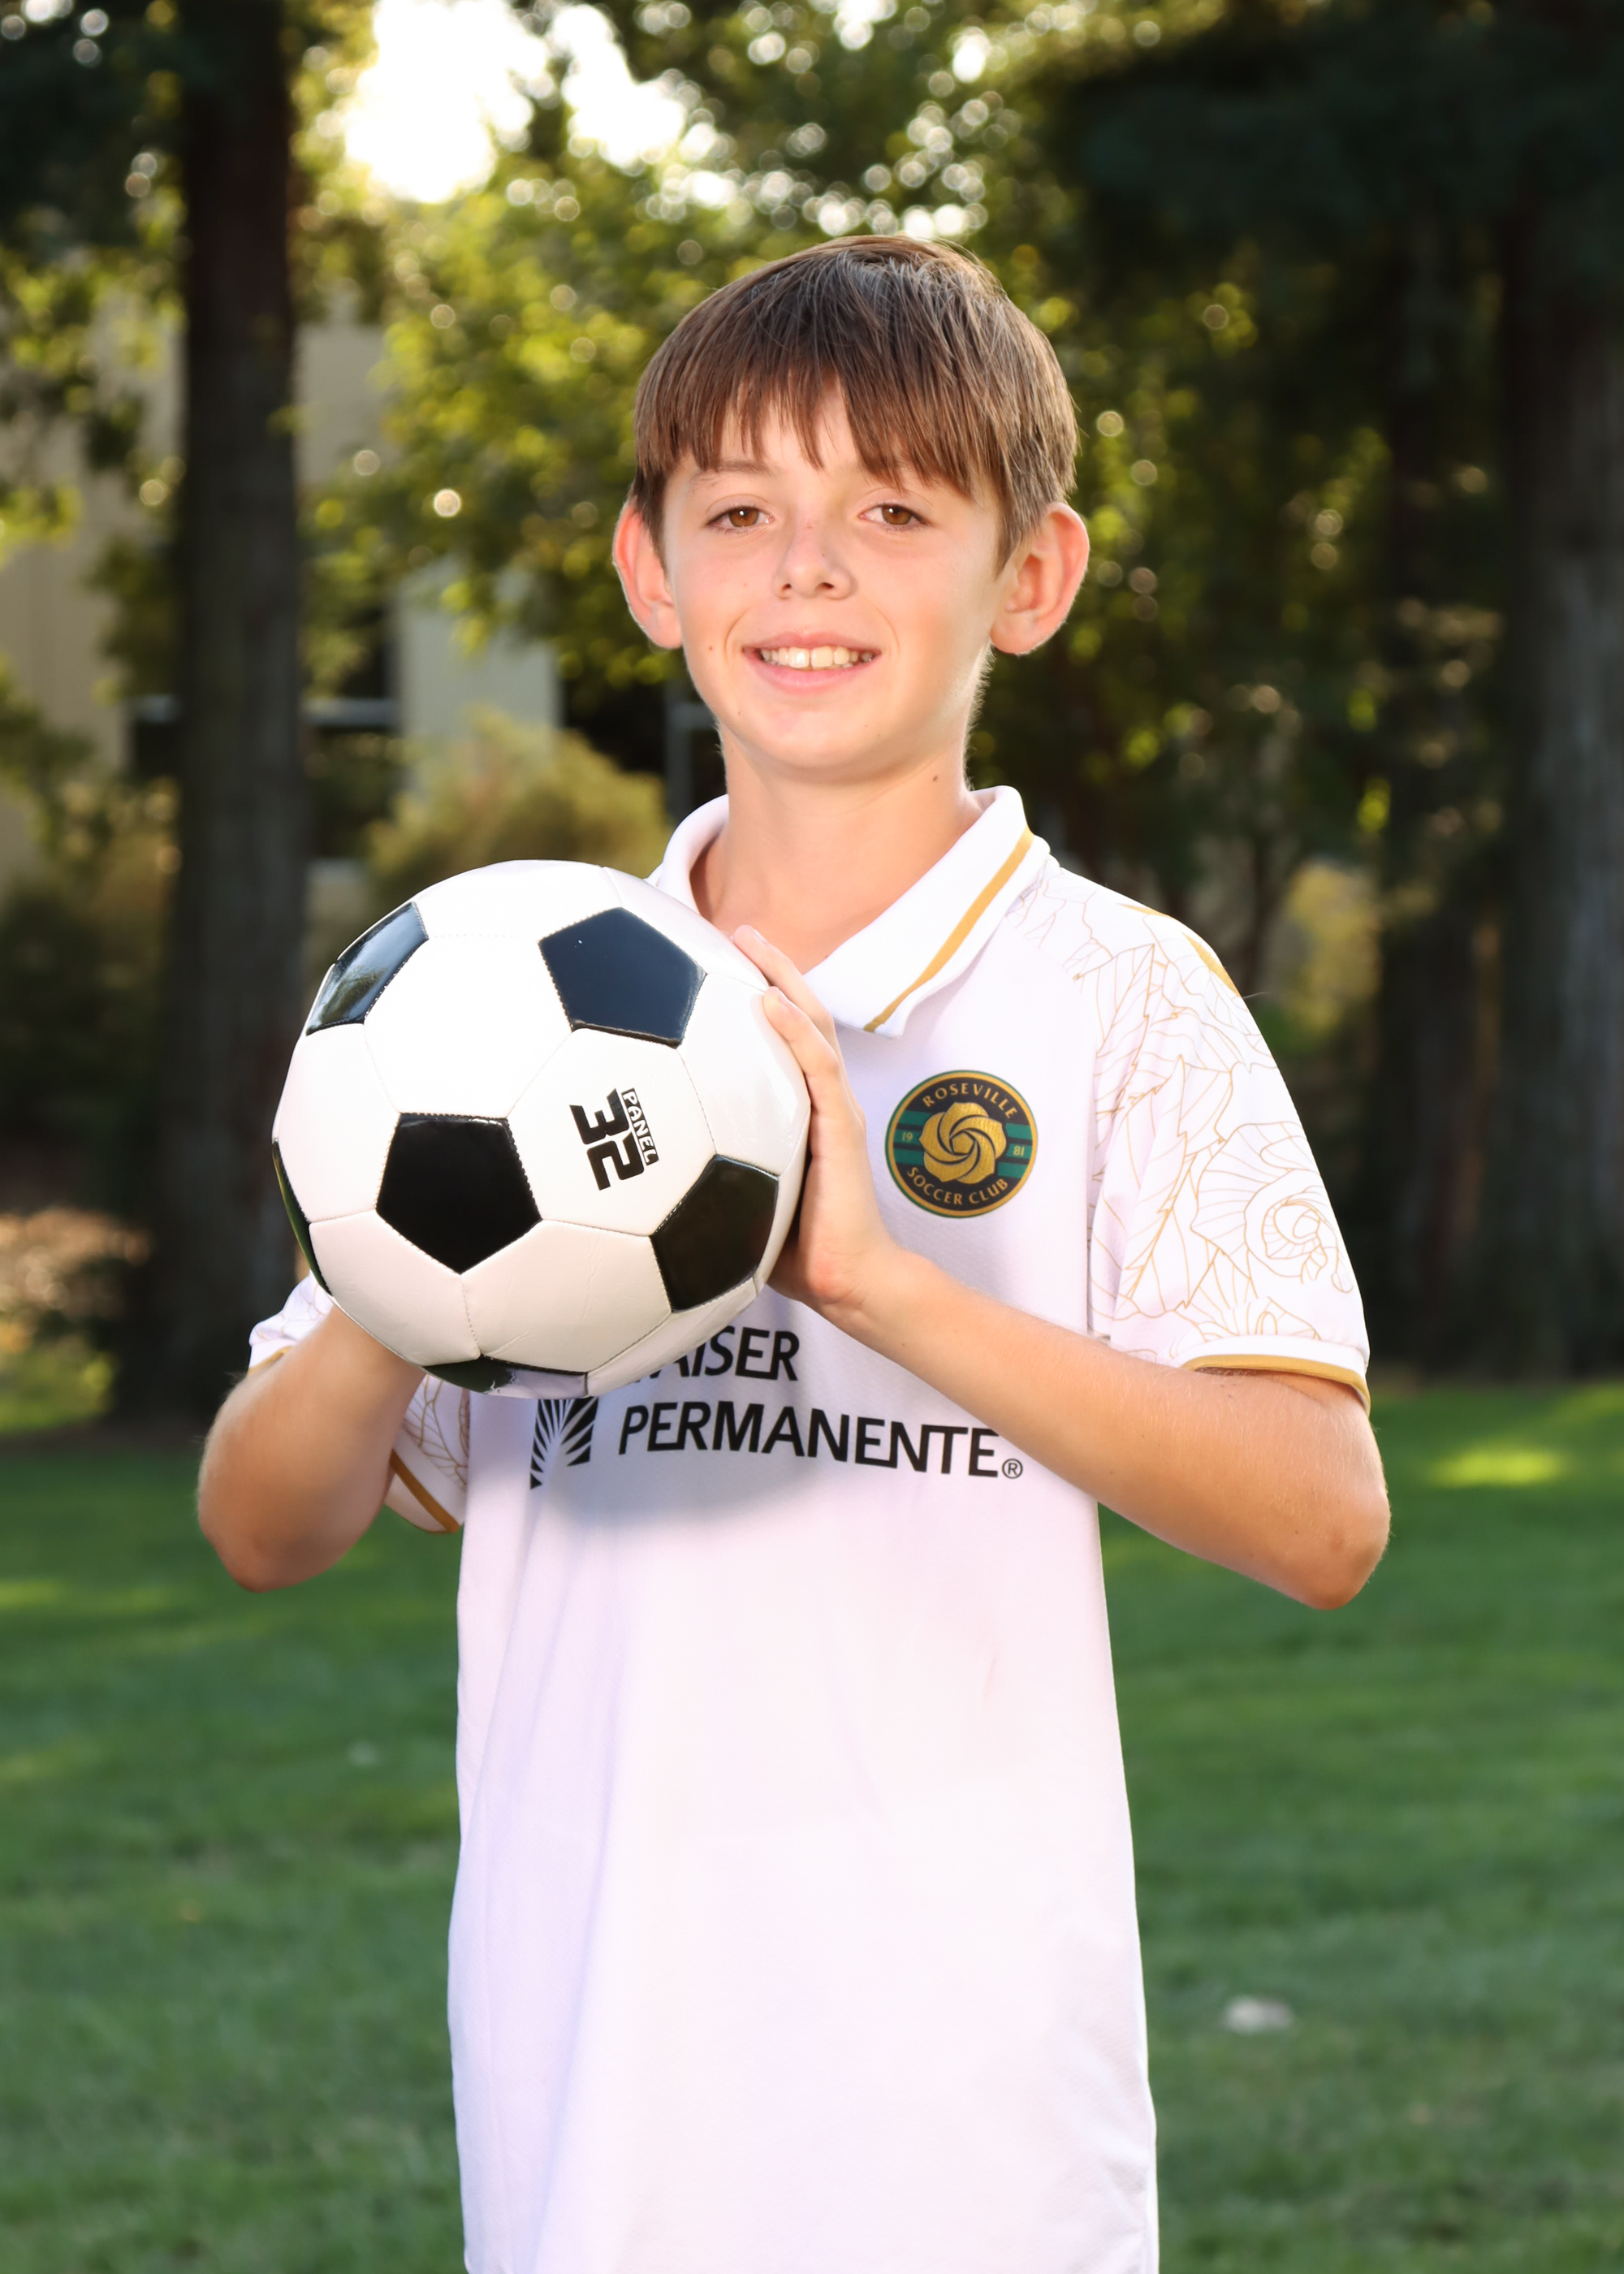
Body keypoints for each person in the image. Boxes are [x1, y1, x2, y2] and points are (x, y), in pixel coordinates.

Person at [201, 237, 1389, 2274]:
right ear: (650, 570)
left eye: (894, 510)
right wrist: (397, 1277)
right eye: (740, 510)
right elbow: (261, 1521)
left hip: (968, 2127)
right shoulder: (490, 1005)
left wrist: (882, 1284)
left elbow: (1322, 1515)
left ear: (1031, 574)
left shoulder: (1117, 992)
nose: (808, 567)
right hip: (591, 2107)